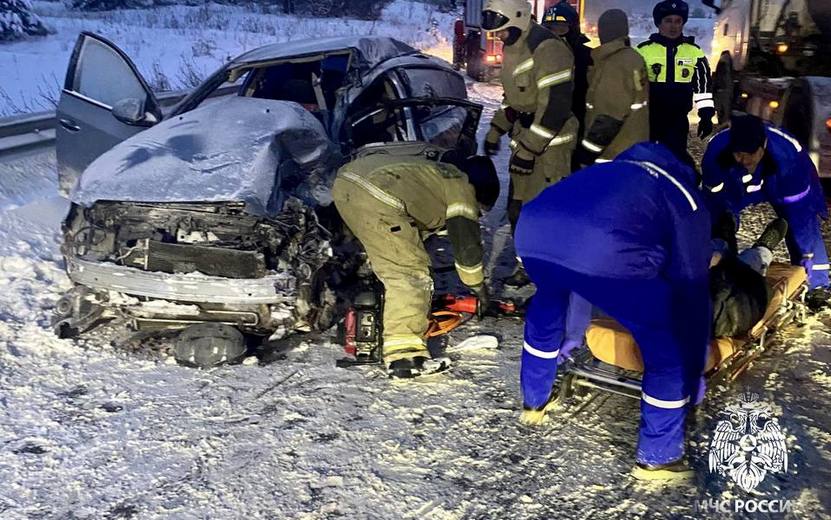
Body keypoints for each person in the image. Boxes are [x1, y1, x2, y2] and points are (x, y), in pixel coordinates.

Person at [514, 142, 712, 480]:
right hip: (605, 254)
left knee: (547, 307)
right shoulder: (683, 195)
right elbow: (691, 287)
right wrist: (692, 372)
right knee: (665, 345)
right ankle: (658, 457)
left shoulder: (604, 170)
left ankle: (534, 403)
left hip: (532, 235)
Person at [332, 143, 499, 379]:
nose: (477, 213)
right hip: (380, 193)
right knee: (410, 273)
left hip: (347, 182)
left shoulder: (436, 172)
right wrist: (478, 287)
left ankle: (373, 312)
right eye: (480, 210)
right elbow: (467, 245)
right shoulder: (462, 188)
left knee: (387, 254)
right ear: (478, 192)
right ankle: (405, 356)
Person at [481, 0, 579, 285]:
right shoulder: (515, 46)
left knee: (545, 212)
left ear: (520, 18)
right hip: (525, 141)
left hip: (551, 148)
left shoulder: (548, 49)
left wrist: (530, 149)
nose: (498, 37)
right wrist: (496, 129)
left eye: (503, 30)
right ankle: (527, 265)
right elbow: (517, 101)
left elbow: (556, 106)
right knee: (518, 209)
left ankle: (552, 272)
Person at [701, 113, 829, 293]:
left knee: (798, 227)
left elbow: (801, 216)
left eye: (750, 154)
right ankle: (721, 259)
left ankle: (818, 285)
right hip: (734, 184)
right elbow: (713, 199)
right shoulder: (716, 154)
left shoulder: (788, 157)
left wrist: (807, 256)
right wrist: (719, 236)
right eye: (738, 154)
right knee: (721, 224)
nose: (744, 160)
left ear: (763, 146)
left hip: (782, 182)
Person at [637, 0, 714, 164]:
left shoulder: (694, 52)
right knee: (647, 160)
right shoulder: (642, 51)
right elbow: (633, 87)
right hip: (649, 120)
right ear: (659, 23)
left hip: (677, 121)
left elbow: (704, 88)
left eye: (678, 21)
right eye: (668, 21)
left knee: (675, 161)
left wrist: (706, 116)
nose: (673, 26)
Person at [575, 9, 649, 167]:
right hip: (630, 150)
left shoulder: (615, 64)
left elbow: (610, 115)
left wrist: (586, 154)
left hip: (612, 156)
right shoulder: (632, 58)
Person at [541, 0, 592, 170]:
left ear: (573, 28)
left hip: (574, 135)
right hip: (538, 139)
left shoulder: (587, 57)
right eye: (549, 28)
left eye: (561, 28)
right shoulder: (535, 56)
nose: (555, 34)